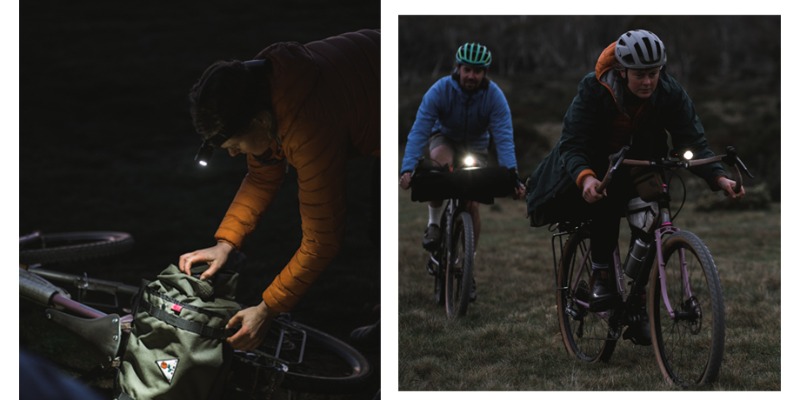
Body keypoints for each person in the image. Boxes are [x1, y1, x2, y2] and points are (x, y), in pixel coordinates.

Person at [526, 29, 745, 345]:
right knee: (605, 203)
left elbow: (693, 140)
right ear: (622, 71)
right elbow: (572, 143)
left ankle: (638, 300)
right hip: (598, 167)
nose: (648, 81)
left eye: (653, 74)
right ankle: (601, 276)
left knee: (651, 216)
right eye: (640, 75)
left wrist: (719, 177)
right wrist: (586, 178)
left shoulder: (670, 92)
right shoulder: (593, 89)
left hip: (644, 163)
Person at [179, 29, 380, 350]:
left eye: (236, 145)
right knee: (378, 231)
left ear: (259, 123)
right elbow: (262, 176)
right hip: (369, 72)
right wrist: (226, 242)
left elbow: (322, 241)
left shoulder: (308, 125)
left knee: (390, 226)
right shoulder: (262, 89)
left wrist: (267, 309)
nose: (234, 154)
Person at [399, 42, 526, 300]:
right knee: (440, 171)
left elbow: (503, 136)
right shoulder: (440, 90)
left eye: (477, 71)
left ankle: (468, 263)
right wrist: (408, 167)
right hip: (443, 138)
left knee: (472, 201)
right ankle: (434, 224)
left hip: (476, 146)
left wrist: (512, 175)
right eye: (467, 69)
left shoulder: (494, 97)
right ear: (458, 68)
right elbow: (420, 128)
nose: (471, 76)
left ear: (485, 73)